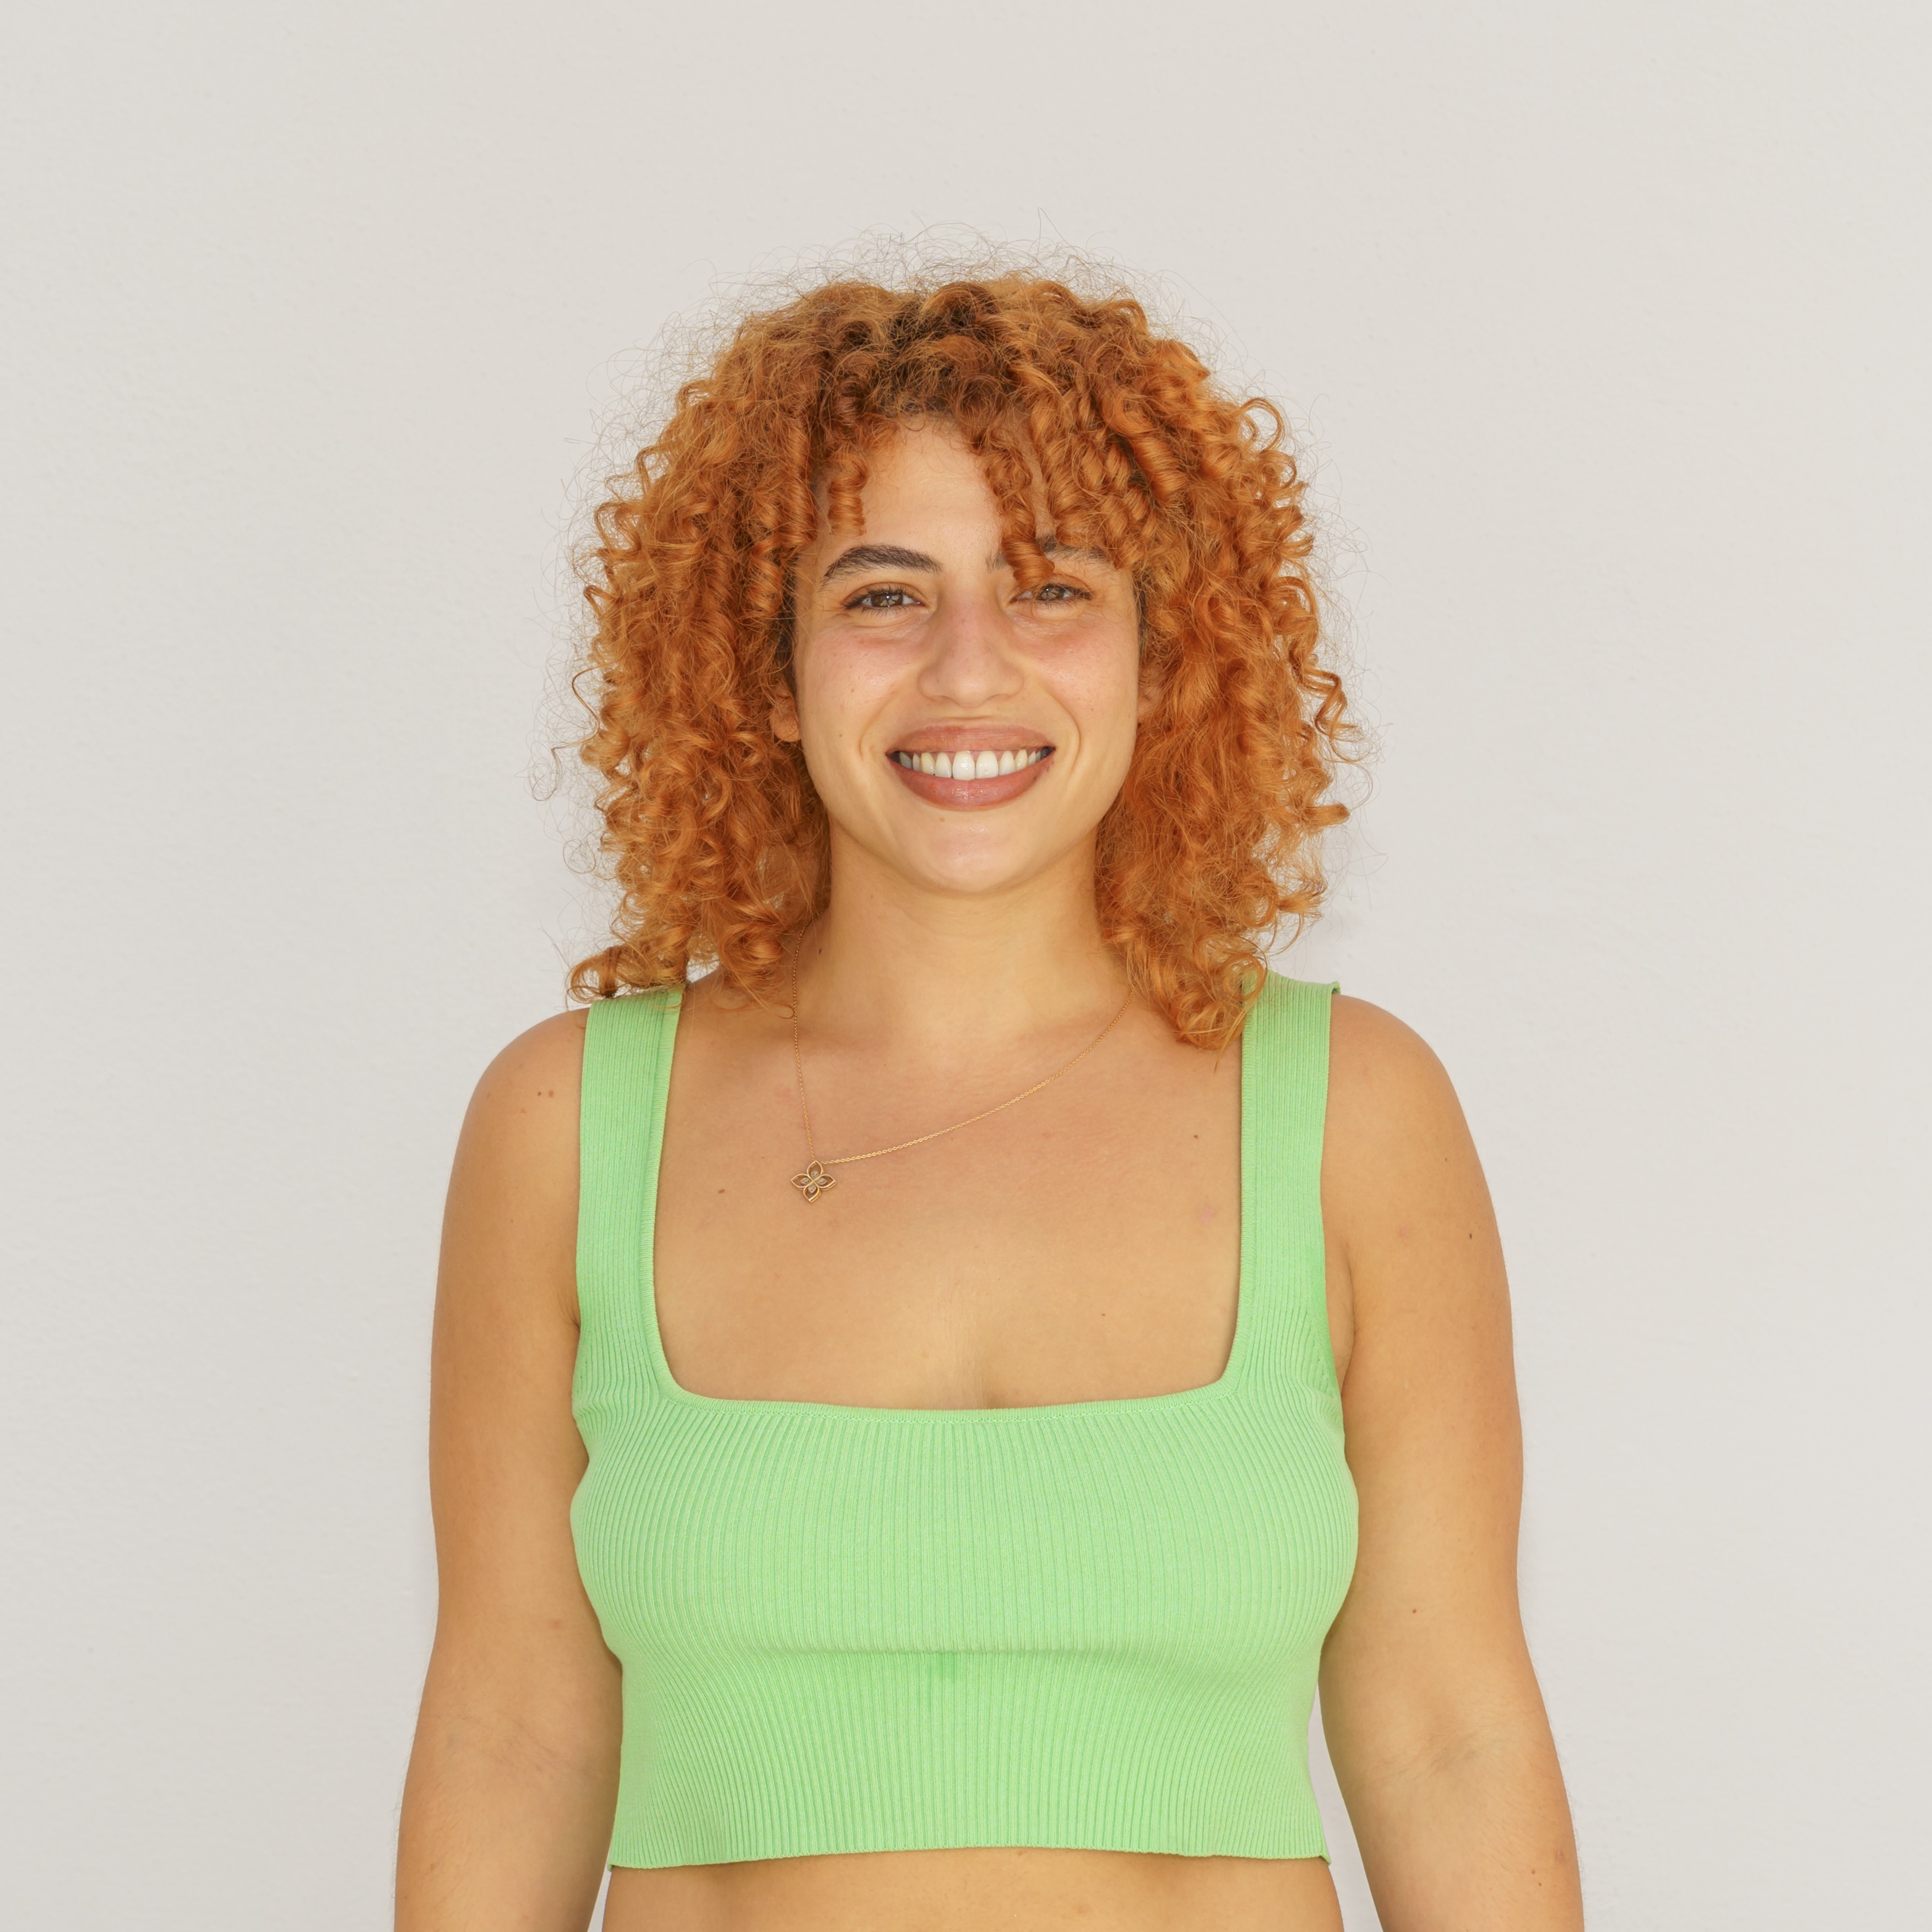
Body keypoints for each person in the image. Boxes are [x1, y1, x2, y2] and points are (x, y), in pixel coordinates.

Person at [394, 268, 1585, 1932]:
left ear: (1164, 657)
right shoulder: (567, 1123)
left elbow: (1450, 1732)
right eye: (884, 594)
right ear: (769, 665)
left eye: (1050, 588)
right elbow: (510, 1730)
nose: (968, 669)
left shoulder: (1354, 1114)